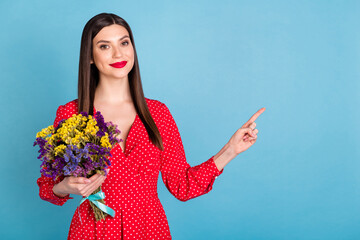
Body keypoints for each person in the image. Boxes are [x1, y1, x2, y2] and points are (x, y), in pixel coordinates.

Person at [36, 12, 265, 240]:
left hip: (149, 229)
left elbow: (182, 186)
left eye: (124, 43)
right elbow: (49, 188)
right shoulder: (71, 114)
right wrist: (66, 187)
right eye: (105, 46)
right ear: (90, 56)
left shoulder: (158, 113)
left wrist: (230, 150)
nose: (118, 53)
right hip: (95, 230)